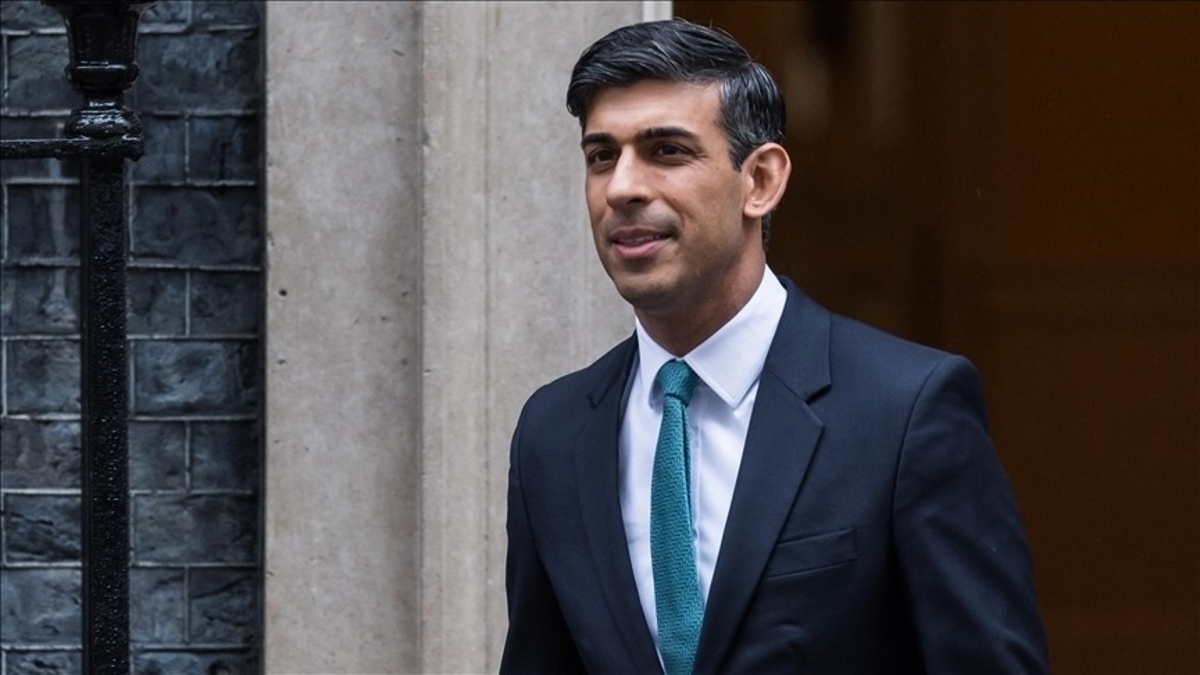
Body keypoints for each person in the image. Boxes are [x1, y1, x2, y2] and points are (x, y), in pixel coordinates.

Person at [502, 18, 1048, 674]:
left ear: (760, 180)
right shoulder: (553, 434)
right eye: (601, 157)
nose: (622, 187)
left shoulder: (905, 411)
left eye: (666, 150)